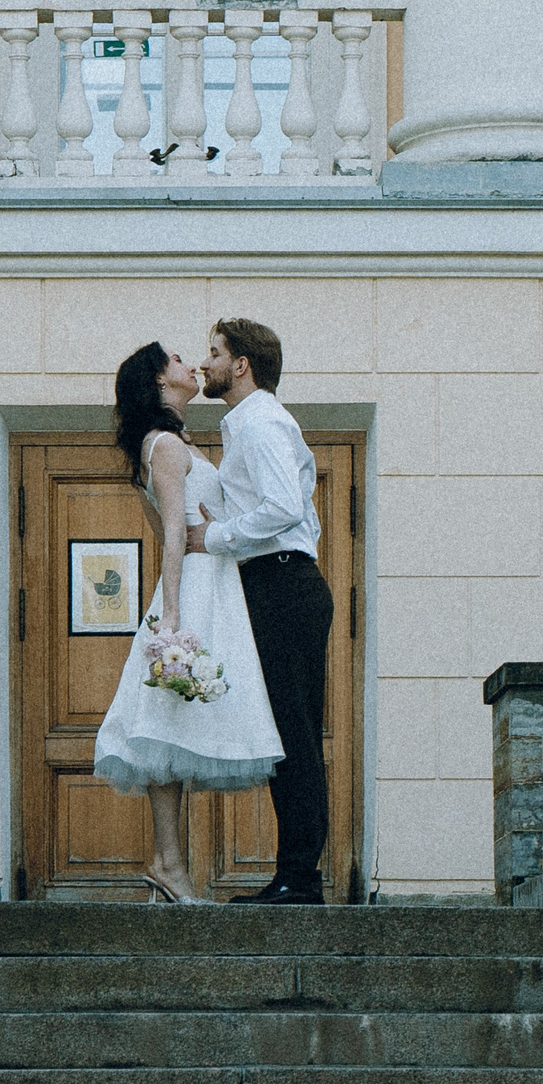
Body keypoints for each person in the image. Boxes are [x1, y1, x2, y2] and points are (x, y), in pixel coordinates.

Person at [92, 341, 283, 903]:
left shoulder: (167, 444)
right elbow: (172, 533)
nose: (191, 365)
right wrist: (172, 613)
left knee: (175, 724)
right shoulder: (167, 446)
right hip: (195, 589)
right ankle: (169, 864)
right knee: (168, 721)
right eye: (176, 360)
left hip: (209, 582)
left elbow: (167, 527)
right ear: (159, 380)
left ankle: (168, 864)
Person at [187, 318, 335, 905]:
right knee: (285, 730)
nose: (205, 363)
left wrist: (215, 537)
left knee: (293, 733)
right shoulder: (248, 425)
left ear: (242, 364)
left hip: (283, 585)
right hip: (273, 584)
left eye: (215, 353)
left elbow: (283, 507)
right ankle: (294, 876)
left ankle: (300, 879)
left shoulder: (262, 422)